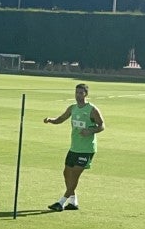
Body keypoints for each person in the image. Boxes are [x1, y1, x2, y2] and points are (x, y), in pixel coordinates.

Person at [43, 83, 104, 211]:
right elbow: (61, 118)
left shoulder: (92, 109)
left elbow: (101, 126)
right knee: (66, 173)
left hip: (86, 149)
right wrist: (51, 120)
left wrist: (90, 131)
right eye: (76, 92)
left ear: (86, 94)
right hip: (74, 147)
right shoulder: (72, 108)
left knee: (75, 175)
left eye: (81, 93)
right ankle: (73, 202)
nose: (78, 95)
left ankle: (60, 203)